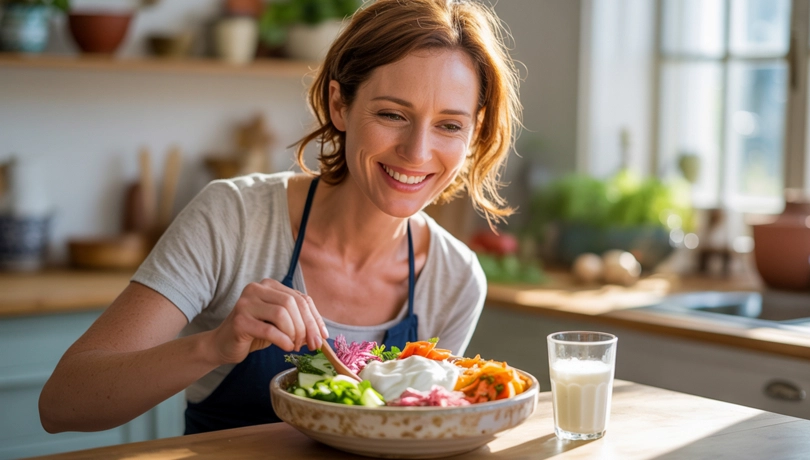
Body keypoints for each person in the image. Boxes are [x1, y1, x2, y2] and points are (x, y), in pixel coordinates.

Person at [39, 0, 521, 435]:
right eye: (392, 115)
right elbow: (61, 405)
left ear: (474, 132)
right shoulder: (233, 218)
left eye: (449, 125)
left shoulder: (455, 278)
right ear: (339, 104)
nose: (417, 152)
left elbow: (422, 436)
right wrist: (214, 346)